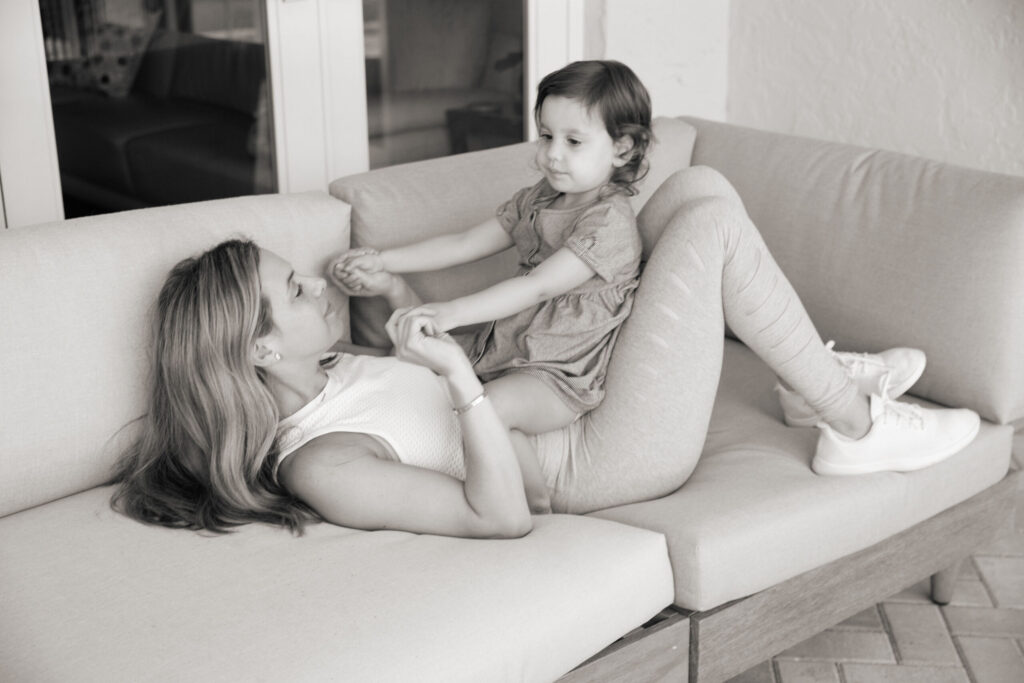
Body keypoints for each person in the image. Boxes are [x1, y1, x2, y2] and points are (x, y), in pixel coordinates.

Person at [111, 164, 981, 539]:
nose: (315, 283)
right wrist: (460, 379)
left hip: (559, 390)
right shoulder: (323, 465)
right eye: (294, 289)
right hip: (593, 461)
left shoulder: (335, 369)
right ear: (259, 347)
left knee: (695, 188)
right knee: (711, 226)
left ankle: (807, 386)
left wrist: (398, 296)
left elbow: (426, 370)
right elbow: (500, 515)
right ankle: (855, 425)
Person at [331, 60, 651, 440]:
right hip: (503, 348)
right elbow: (465, 243)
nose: (552, 154)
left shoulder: (608, 224)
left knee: (489, 406)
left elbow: (538, 287)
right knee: (409, 366)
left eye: (573, 141)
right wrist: (382, 258)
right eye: (547, 136)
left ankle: (533, 500)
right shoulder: (541, 196)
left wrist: (450, 312)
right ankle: (339, 350)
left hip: (556, 375)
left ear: (622, 149)